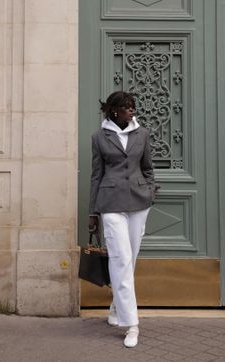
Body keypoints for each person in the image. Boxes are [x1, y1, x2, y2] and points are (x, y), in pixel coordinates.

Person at [88, 91, 157, 348]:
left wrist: (150, 191)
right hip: (111, 203)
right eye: (127, 107)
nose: (132, 111)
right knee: (121, 259)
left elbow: (148, 168)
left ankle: (117, 305)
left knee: (131, 258)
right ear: (114, 110)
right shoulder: (99, 137)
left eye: (133, 107)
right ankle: (132, 324)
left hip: (139, 202)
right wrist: (93, 212)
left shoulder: (143, 134)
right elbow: (96, 175)